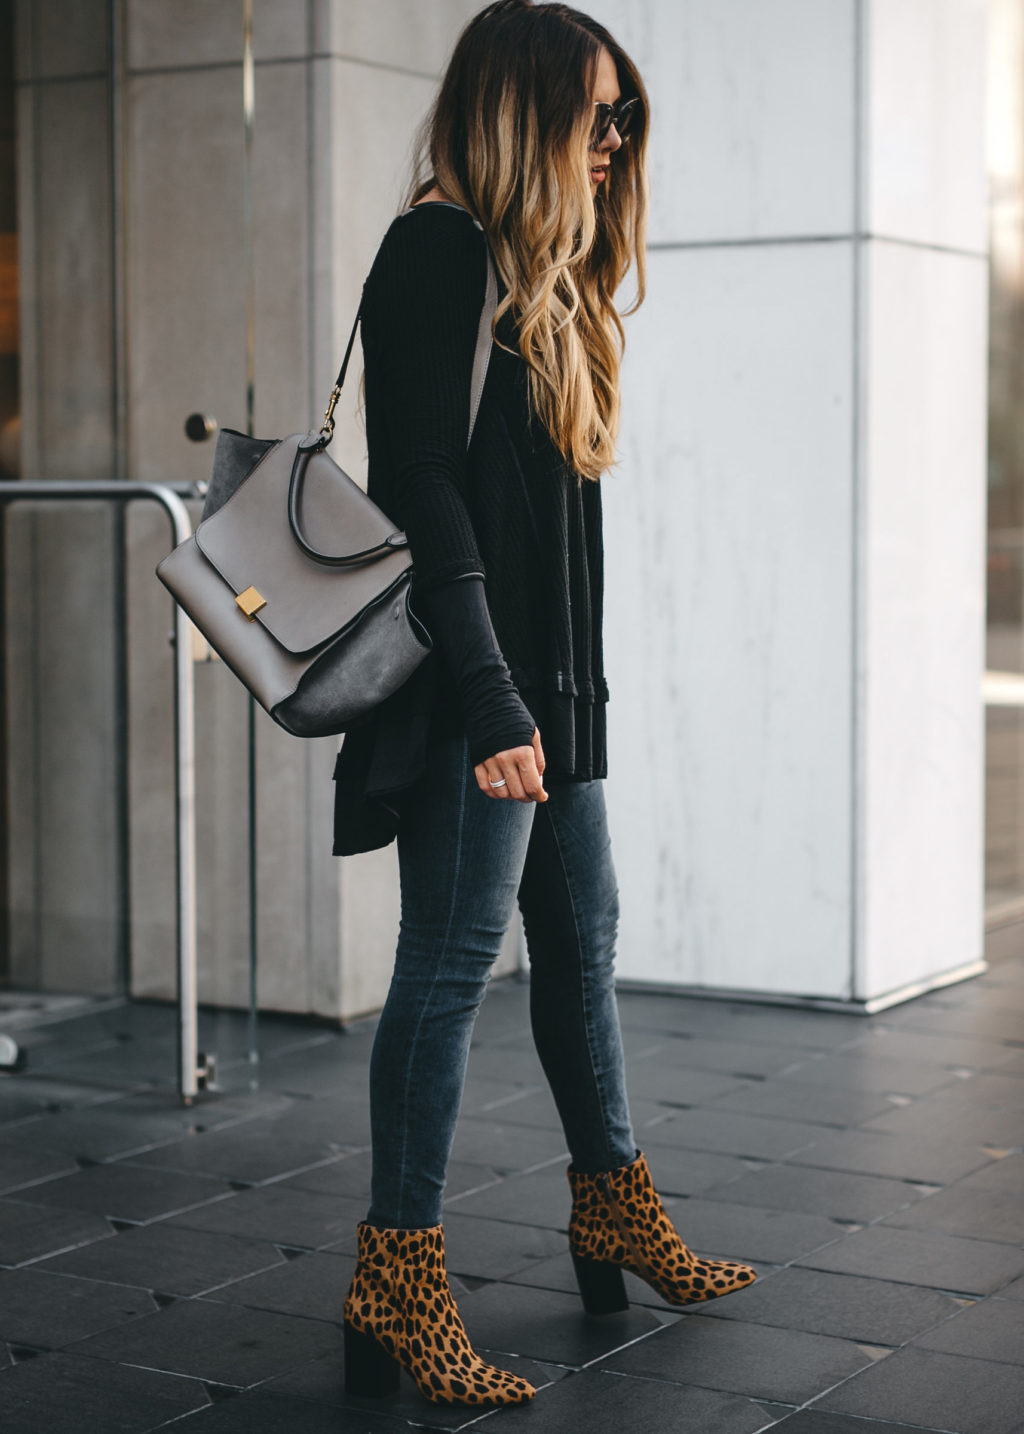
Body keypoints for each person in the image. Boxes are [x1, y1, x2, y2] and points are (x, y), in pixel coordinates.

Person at [337, 0, 756, 1410]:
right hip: (477, 692)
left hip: (550, 696)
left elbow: (549, 529)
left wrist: (564, 703)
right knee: (450, 967)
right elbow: (427, 496)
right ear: (523, 112)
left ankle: (613, 1206)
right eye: (597, 113)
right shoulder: (435, 251)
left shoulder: (543, 281)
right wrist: (497, 698)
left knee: (583, 939)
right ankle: (395, 1276)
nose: (615, 140)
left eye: (625, 115)